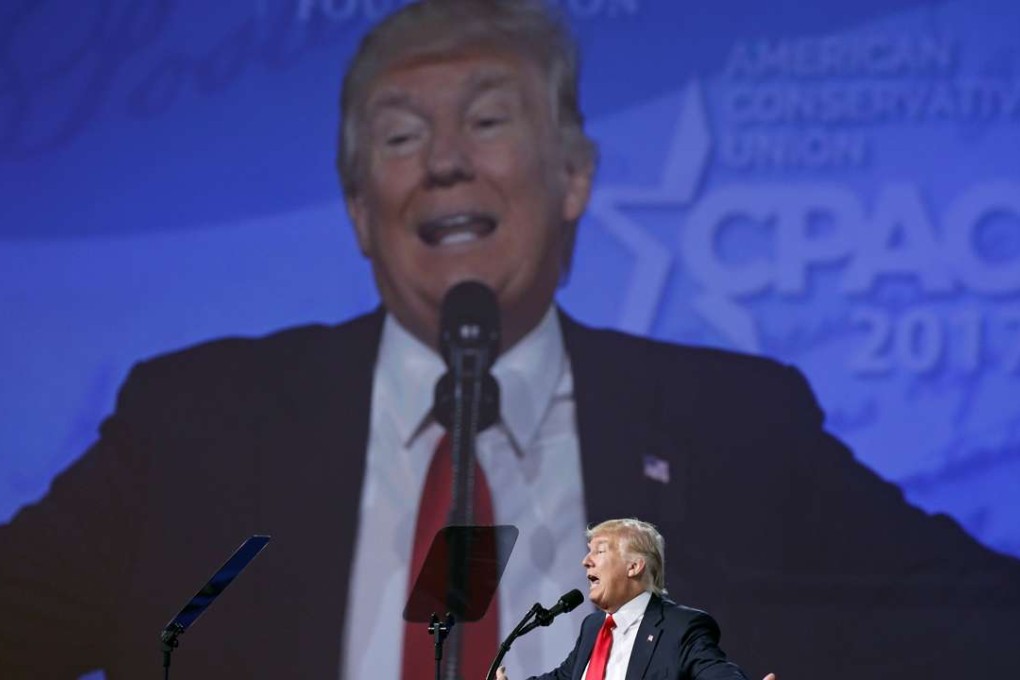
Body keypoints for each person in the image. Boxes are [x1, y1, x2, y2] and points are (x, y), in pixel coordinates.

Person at [1, 1, 1018, 678]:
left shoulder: (735, 425)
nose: (443, 161)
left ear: (574, 175)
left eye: (488, 122)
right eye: (399, 136)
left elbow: (974, 621)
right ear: (361, 209)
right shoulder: (196, 423)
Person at [495, 519, 754, 680]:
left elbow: (714, 670)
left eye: (600, 551)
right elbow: (563, 677)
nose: (586, 561)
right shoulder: (593, 627)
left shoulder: (680, 627)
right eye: (588, 552)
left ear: (634, 567)